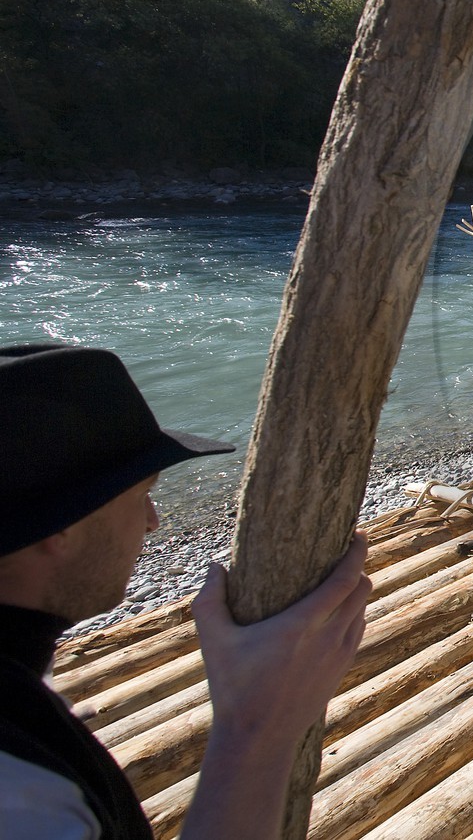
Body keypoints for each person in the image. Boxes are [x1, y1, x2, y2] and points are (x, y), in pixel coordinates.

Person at [0, 343, 370, 840]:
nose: (152, 522)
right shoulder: (23, 800)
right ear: (59, 525)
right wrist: (253, 733)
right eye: (142, 493)